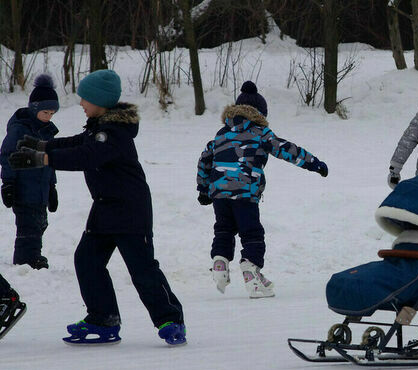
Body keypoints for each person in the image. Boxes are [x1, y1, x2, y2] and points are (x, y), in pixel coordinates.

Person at [9, 69, 186, 346]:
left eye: (85, 99)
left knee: (142, 268)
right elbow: (77, 143)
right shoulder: (98, 128)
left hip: (130, 210)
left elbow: (87, 156)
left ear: (100, 102)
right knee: (87, 260)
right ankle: (103, 318)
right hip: (104, 209)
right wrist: (43, 144)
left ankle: (171, 319)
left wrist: (42, 159)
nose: (81, 104)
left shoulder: (113, 133)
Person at [197, 81, 328, 298]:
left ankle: (220, 264)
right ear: (260, 113)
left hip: (219, 193)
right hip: (246, 193)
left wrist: (203, 190)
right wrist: (314, 164)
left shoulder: (221, 134)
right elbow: (287, 149)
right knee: (251, 233)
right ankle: (252, 272)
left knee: (223, 230)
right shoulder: (261, 133)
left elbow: (204, 160)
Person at [1, 74, 60, 269]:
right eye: (45, 112)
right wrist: (8, 183)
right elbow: (8, 156)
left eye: (52, 113)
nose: (49, 117)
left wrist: (52, 187)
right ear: (34, 108)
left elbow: (50, 161)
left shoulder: (47, 132)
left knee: (40, 223)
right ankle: (25, 259)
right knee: (28, 225)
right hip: (23, 189)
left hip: (41, 189)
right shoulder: (19, 130)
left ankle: (34, 254)